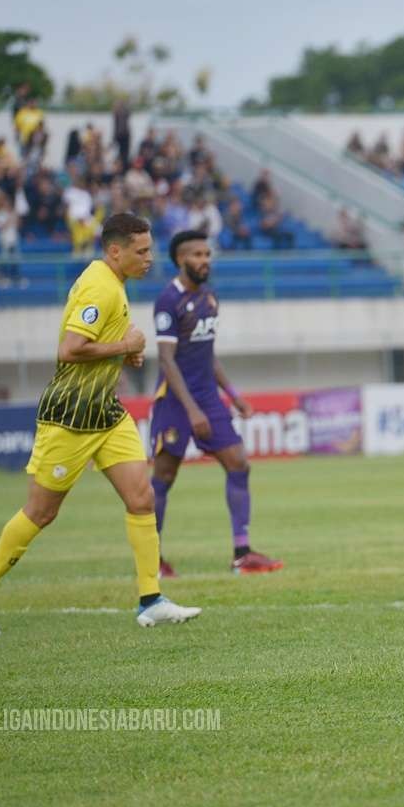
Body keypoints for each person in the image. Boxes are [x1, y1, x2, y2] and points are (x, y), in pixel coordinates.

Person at [0, 214, 201, 636]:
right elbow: (70, 349)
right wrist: (124, 345)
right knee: (41, 512)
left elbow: (96, 339)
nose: (150, 258)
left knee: (141, 498)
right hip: (70, 416)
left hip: (104, 411)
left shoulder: (112, 282)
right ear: (115, 251)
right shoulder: (98, 285)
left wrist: (122, 354)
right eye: (141, 251)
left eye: (150, 249)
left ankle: (151, 599)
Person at [150, 231, 283, 577]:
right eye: (197, 254)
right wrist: (192, 409)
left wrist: (233, 396)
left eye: (207, 254)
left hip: (208, 396)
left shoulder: (210, 297)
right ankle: (152, 558)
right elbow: (167, 359)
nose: (204, 260)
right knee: (164, 475)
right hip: (176, 401)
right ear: (181, 259)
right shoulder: (168, 300)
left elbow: (207, 355)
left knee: (238, 463)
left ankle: (242, 553)